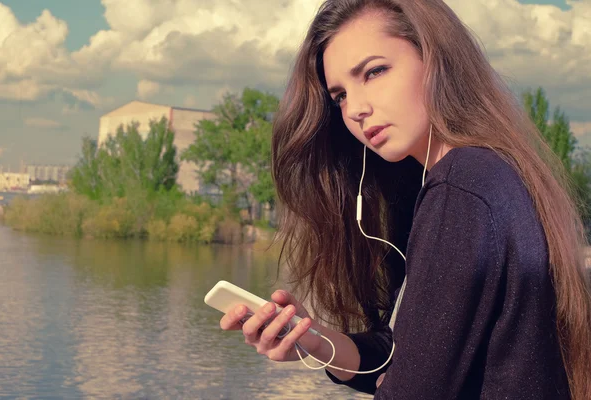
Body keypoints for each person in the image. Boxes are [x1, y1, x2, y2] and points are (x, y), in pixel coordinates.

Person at [218, 0, 591, 398]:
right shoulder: (486, 174)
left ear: (436, 59)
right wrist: (314, 340)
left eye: (375, 71)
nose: (357, 109)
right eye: (340, 95)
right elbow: (403, 356)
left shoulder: (461, 189)